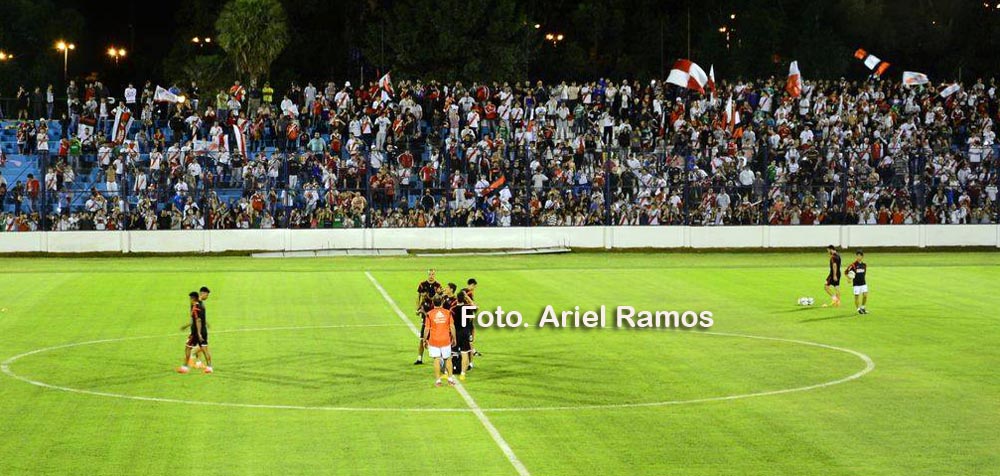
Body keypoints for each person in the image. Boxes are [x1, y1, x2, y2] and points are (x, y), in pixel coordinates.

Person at [422, 297, 456, 387]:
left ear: (433, 303)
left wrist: (424, 339)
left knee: (436, 359)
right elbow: (452, 327)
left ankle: (438, 381)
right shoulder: (448, 313)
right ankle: (450, 379)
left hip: (434, 341)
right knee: (448, 359)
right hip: (445, 340)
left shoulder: (429, 314)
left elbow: (426, 329)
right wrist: (454, 338)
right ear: (442, 302)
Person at [177, 290, 213, 374]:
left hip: (196, 332)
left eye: (190, 298)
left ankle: (185, 367)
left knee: (188, 347)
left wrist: (199, 333)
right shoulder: (202, 305)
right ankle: (209, 367)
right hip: (203, 331)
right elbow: (200, 319)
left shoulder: (195, 307)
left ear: (193, 298)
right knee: (204, 349)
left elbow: (198, 320)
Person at [414, 269, 441, 365]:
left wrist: (428, 296)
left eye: (433, 274)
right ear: (427, 275)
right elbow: (418, 296)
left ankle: (438, 357)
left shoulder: (437, 286)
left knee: (434, 336)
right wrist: (417, 307)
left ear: (435, 275)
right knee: (422, 337)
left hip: (433, 313)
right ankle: (419, 358)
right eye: (430, 274)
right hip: (425, 311)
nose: (431, 276)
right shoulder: (422, 284)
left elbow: (439, 299)